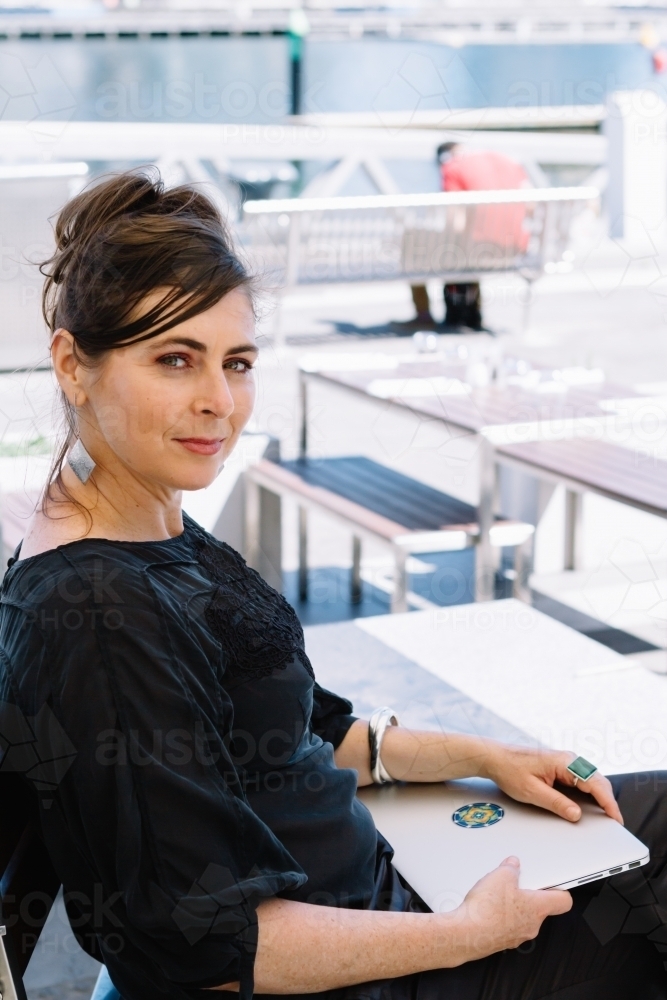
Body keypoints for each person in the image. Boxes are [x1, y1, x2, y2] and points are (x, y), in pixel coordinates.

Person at [1, 170, 667, 1000]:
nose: (218, 402)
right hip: (354, 967)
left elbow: (298, 729)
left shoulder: (149, 514)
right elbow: (206, 950)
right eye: (175, 360)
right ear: (73, 365)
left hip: (384, 885)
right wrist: (465, 934)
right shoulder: (95, 615)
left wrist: (486, 757)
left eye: (236, 363)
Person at [397, 142, 530, 334]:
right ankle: (472, 312)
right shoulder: (507, 162)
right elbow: (532, 206)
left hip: (477, 251)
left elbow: (456, 224)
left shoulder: (453, 168)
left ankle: (423, 315)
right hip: (514, 249)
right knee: (464, 250)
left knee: (414, 241)